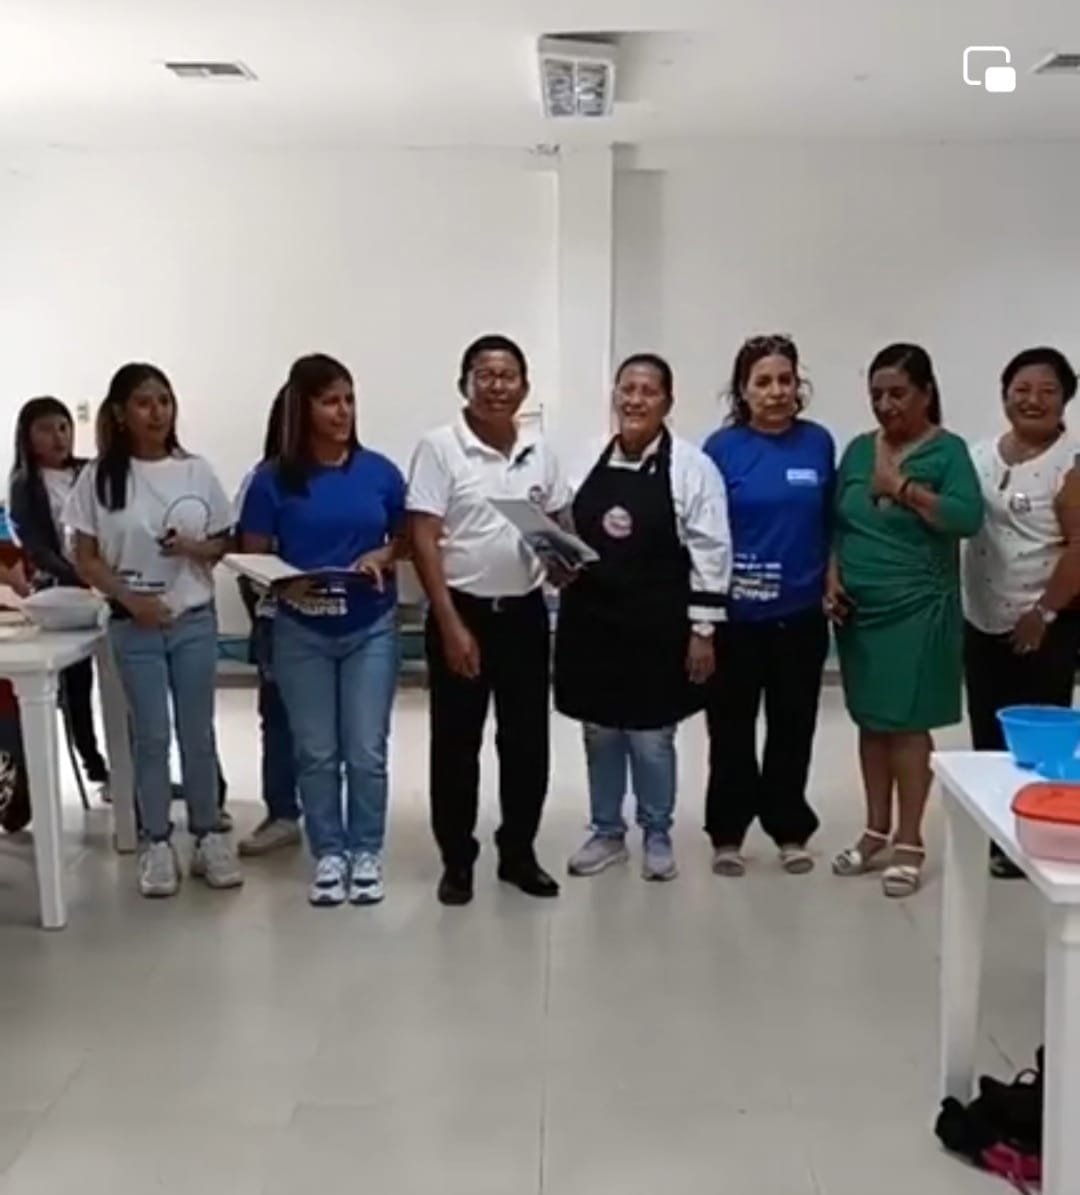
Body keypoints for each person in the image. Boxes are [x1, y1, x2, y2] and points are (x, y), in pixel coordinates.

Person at [68, 363, 241, 897]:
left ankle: (208, 833)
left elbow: (224, 542)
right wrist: (129, 599)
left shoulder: (196, 471)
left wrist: (193, 547)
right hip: (133, 624)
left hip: (192, 619)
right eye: (144, 403)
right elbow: (84, 555)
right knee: (151, 736)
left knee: (197, 732)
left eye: (164, 401)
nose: (157, 412)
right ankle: (157, 840)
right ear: (121, 413)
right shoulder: (99, 478)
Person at [556, 354, 730, 881]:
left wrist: (703, 630)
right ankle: (607, 831)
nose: (635, 400)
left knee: (652, 738)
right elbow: (564, 525)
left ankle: (657, 831)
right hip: (592, 621)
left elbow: (712, 551)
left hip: (658, 624)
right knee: (600, 732)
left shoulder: (693, 468)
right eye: (626, 389)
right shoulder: (586, 457)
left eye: (647, 391)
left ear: (667, 402)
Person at [408, 334, 568, 906]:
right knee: (456, 745)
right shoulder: (440, 447)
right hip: (463, 611)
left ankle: (518, 852)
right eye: (485, 374)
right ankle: (457, 860)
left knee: (527, 743)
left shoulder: (539, 449)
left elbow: (558, 522)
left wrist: (564, 560)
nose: (497, 385)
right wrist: (450, 624)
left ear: (524, 387)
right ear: (465, 384)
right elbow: (423, 538)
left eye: (508, 375)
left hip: (524, 613)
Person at [239, 354, 404, 907]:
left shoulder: (379, 472)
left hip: (370, 626)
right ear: (303, 408)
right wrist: (285, 583)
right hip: (301, 630)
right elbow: (252, 557)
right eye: (330, 401)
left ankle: (366, 850)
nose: (343, 411)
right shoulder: (271, 480)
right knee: (315, 751)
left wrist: (384, 553)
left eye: (349, 399)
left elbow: (410, 537)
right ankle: (329, 851)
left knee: (366, 750)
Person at [829, 343, 983, 898]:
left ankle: (910, 841)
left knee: (907, 724)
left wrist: (902, 489)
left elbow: (966, 517)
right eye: (876, 394)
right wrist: (831, 577)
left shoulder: (948, 452)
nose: (885, 405)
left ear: (925, 393)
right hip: (858, 612)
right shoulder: (856, 450)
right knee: (872, 721)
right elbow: (838, 523)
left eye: (897, 393)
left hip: (918, 608)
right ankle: (874, 831)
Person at [702, 336, 834, 876]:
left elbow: (831, 522)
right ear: (743, 390)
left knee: (793, 727)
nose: (776, 391)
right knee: (730, 731)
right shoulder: (721, 448)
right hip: (737, 619)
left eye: (785, 380)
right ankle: (727, 833)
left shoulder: (818, 443)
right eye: (763, 382)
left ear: (797, 385)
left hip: (800, 615)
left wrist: (831, 577)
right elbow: (704, 533)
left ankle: (789, 829)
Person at [964, 347, 1080, 879]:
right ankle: (997, 836)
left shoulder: (1071, 461)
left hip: (1046, 622)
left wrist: (1045, 613)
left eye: (1048, 391)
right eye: (1022, 390)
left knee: (1037, 738)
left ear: (1065, 400)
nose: (1033, 400)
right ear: (1004, 394)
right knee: (987, 734)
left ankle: (1040, 831)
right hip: (981, 616)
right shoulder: (979, 455)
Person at [8, 397, 109, 793]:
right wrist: (80, 575)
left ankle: (131, 764)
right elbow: (36, 547)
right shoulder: (25, 484)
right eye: (46, 429)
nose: (58, 437)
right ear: (28, 438)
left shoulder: (90, 472)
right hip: (62, 592)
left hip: (108, 583)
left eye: (64, 427)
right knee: (76, 684)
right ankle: (93, 763)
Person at [235, 387, 301, 857]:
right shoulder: (262, 481)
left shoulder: (350, 476)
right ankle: (282, 812)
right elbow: (247, 561)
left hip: (338, 618)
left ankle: (333, 814)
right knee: (278, 718)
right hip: (279, 617)